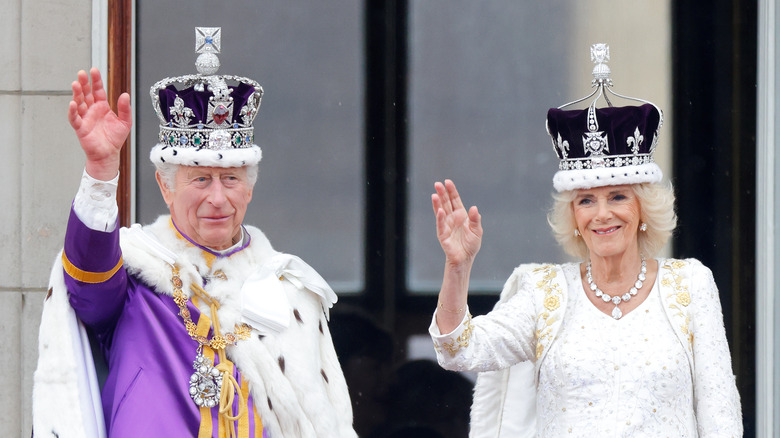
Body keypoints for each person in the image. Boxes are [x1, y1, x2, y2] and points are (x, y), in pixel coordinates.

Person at [32, 27, 357, 438]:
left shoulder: (289, 289)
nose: (218, 198)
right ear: (166, 187)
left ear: (251, 186)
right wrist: (100, 173)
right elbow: (86, 281)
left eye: (231, 178)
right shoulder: (135, 273)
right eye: (201, 179)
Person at [428, 44, 742, 437]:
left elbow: (720, 413)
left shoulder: (690, 285)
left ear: (643, 209)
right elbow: (459, 351)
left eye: (618, 196)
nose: (602, 214)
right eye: (587, 200)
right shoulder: (544, 293)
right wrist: (458, 267)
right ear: (573, 216)